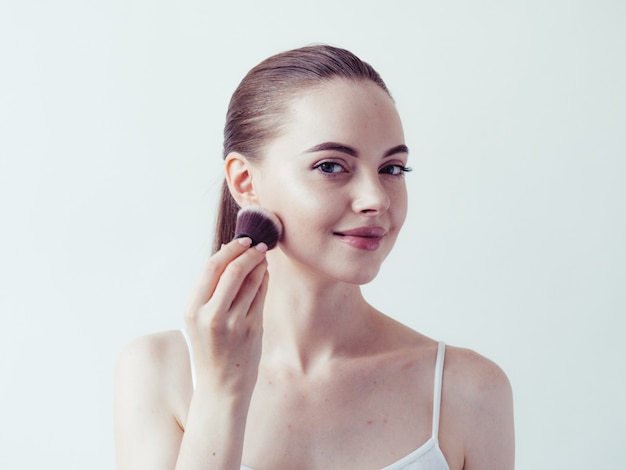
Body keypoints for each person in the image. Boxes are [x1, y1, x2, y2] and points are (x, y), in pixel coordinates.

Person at [114, 44, 514, 470]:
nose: (375, 199)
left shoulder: (467, 391)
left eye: (392, 169)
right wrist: (222, 392)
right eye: (331, 166)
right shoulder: (159, 373)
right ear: (246, 181)